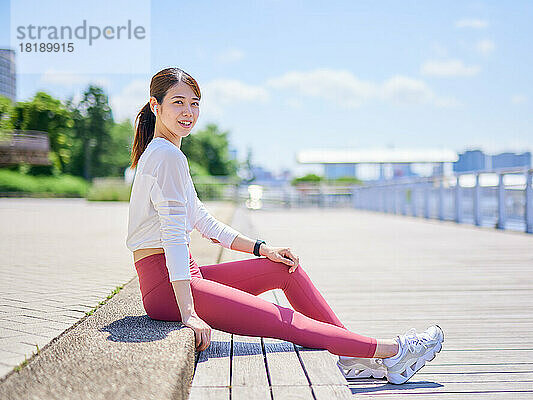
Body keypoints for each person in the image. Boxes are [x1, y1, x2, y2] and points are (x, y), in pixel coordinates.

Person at [125, 67, 444, 384]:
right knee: (284, 321)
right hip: (168, 286)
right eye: (178, 102)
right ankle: (391, 352)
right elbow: (173, 239)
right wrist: (188, 312)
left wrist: (263, 249)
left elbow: (203, 221)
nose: (188, 112)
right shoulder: (166, 156)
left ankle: (349, 352)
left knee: (283, 269)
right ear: (156, 106)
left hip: (182, 277)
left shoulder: (167, 153)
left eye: (195, 103)